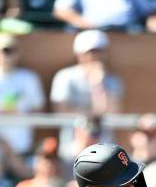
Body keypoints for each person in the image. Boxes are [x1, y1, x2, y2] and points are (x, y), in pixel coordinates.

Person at [50, 30, 123, 166]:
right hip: (71, 147)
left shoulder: (112, 80)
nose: (95, 57)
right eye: (90, 52)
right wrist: (92, 115)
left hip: (105, 149)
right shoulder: (65, 77)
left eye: (99, 52)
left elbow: (113, 113)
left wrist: (98, 85)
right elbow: (61, 111)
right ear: (79, 54)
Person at [0, 33, 45, 155]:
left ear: (17, 53)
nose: (5, 55)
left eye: (9, 51)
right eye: (3, 50)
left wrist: (19, 113)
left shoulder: (29, 78)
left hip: (22, 147)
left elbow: (38, 110)